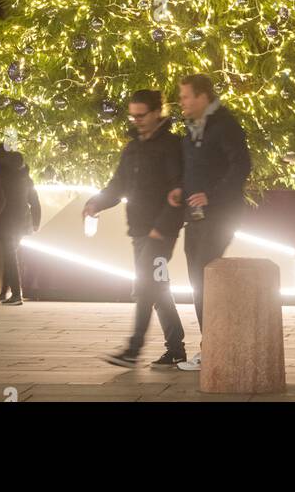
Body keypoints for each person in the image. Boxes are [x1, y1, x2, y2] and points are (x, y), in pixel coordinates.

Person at [84, 90, 186, 368]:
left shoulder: (171, 146)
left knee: (145, 286)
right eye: (133, 115)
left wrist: (162, 228)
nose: (136, 120)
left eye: (141, 115)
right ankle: (176, 349)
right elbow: (118, 186)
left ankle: (133, 349)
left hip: (160, 233)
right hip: (140, 231)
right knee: (158, 288)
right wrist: (96, 203)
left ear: (157, 113)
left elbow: (179, 189)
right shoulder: (132, 148)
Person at [166, 74, 251, 371]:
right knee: (197, 276)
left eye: (187, 96)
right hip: (197, 215)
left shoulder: (224, 125)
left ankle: (214, 347)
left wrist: (211, 196)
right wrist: (181, 187)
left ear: (203, 97)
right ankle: (213, 344)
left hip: (221, 212)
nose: (182, 101)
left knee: (205, 275)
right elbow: (192, 168)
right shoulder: (193, 129)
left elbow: (241, 164)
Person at [0, 143, 41, 305]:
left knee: (10, 255)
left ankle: (16, 294)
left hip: (6, 219)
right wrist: (36, 221)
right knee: (11, 254)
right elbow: (34, 199)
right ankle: (4, 291)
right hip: (23, 219)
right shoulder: (25, 174)